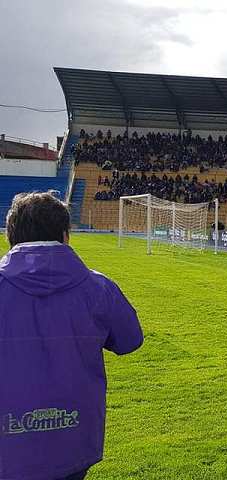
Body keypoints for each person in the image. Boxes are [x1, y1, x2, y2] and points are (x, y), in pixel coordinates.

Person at [0, 191, 144, 480]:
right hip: (74, 438)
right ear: (66, 236)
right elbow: (130, 339)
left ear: (11, 236)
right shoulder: (98, 287)